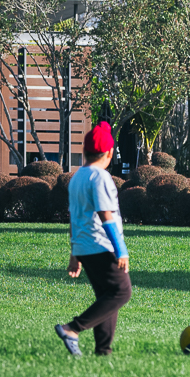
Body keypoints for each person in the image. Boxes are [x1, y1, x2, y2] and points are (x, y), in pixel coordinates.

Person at [54, 121, 131, 357]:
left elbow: (74, 219)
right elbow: (106, 216)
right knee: (121, 292)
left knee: (107, 296)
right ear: (109, 153)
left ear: (84, 151)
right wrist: (121, 250)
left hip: (85, 247)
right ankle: (72, 329)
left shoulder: (77, 177)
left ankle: (103, 351)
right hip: (101, 246)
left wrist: (74, 254)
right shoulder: (100, 177)